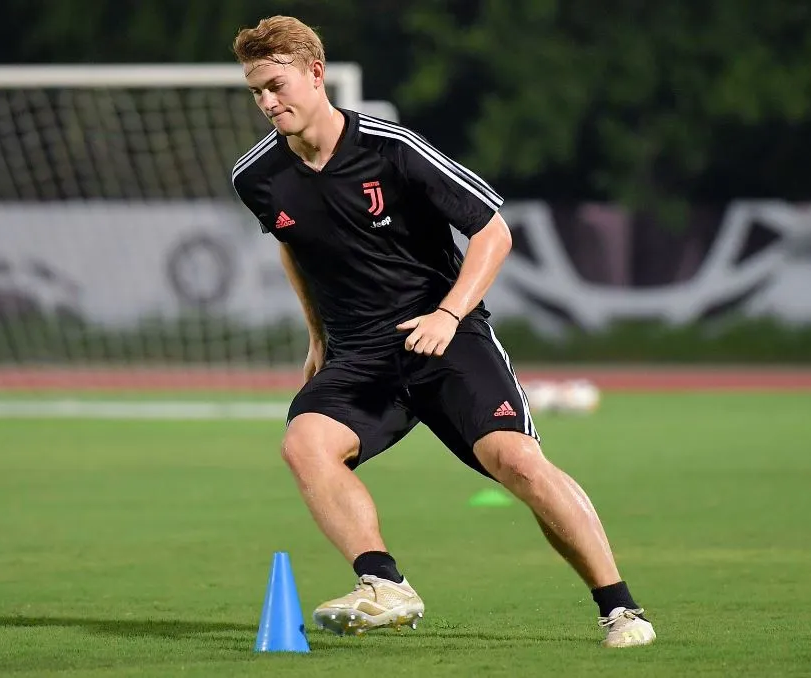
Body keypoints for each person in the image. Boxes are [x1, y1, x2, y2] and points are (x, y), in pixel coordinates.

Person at [229, 15, 656, 648]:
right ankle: (383, 584)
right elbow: (293, 247)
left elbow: (493, 232)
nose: (268, 101)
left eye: (277, 84)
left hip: (446, 338)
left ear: (316, 75)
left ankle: (620, 609)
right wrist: (317, 337)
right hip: (360, 353)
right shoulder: (256, 177)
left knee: (519, 463)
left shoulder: (392, 147)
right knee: (304, 444)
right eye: (257, 91)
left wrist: (448, 315)